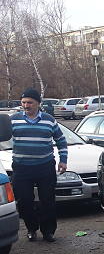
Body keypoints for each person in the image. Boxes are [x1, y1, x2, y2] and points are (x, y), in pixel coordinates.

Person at [10, 88, 67, 242]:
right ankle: (31, 228)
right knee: (24, 201)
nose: (26, 105)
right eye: (23, 102)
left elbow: (61, 140)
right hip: (22, 168)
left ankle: (48, 231)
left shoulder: (49, 120)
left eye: (30, 102)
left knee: (47, 200)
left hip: (45, 166)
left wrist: (63, 160)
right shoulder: (13, 119)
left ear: (38, 104)